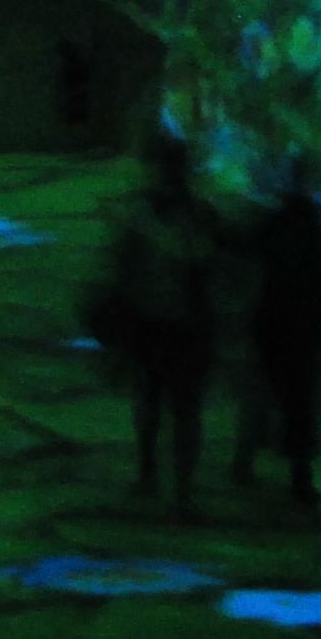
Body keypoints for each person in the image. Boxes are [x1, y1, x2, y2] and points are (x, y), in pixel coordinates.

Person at [89, 128, 224, 513]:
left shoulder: (170, 216)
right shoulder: (178, 216)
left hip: (175, 326)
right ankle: (165, 479)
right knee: (166, 404)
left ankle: (168, 481)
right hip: (163, 325)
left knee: (170, 405)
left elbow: (121, 268)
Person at [228, 153, 321, 508]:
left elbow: (241, 255)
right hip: (300, 327)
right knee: (297, 401)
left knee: (268, 397)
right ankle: (294, 473)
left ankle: (254, 462)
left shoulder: (276, 225)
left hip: (278, 323)